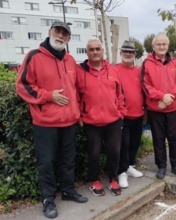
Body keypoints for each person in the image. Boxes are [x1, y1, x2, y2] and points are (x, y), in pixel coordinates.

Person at [16, 21, 88, 219]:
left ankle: (68, 190)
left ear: (69, 38)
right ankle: (48, 199)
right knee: (46, 163)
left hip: (69, 122)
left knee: (68, 160)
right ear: (50, 32)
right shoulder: (34, 56)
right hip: (45, 123)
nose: (60, 35)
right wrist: (49, 96)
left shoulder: (71, 60)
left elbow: (75, 92)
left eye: (65, 33)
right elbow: (22, 85)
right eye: (57, 31)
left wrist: (78, 114)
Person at [76, 38, 127, 196]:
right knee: (94, 154)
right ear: (87, 52)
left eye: (98, 49)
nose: (95, 52)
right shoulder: (80, 71)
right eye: (91, 49)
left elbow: (120, 94)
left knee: (114, 152)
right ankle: (94, 181)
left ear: (103, 51)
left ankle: (113, 179)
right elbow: (76, 97)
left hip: (113, 121)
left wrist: (121, 113)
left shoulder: (113, 70)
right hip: (92, 123)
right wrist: (80, 118)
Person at [141, 33, 176, 179]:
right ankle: (161, 166)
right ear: (153, 47)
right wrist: (161, 97)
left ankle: (175, 165)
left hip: (173, 108)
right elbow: (145, 85)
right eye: (158, 44)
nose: (161, 47)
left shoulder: (174, 63)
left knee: (175, 138)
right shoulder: (146, 63)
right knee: (158, 139)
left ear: (168, 46)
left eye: (164, 44)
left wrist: (168, 99)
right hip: (156, 109)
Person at [116, 40, 144, 188]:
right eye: (125, 51)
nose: (128, 54)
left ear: (135, 55)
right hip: (122, 116)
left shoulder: (139, 72)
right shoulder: (114, 70)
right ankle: (121, 172)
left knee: (135, 143)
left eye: (131, 52)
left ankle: (129, 166)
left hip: (138, 114)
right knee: (124, 144)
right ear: (120, 53)